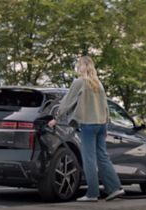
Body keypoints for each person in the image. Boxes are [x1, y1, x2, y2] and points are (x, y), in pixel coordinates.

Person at [48, 56, 125, 202]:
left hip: (88, 125)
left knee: (89, 159)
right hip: (101, 125)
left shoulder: (79, 82)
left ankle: (92, 193)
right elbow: (105, 106)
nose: (77, 68)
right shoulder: (98, 84)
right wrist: (106, 123)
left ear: (83, 66)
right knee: (102, 157)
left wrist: (56, 119)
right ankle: (115, 188)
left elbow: (67, 102)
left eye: (78, 66)